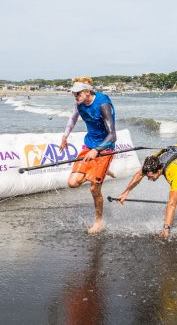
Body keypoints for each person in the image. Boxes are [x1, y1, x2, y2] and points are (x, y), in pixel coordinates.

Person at [59, 77, 117, 234]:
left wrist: (96, 150)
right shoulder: (79, 104)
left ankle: (99, 222)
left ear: (87, 92)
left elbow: (112, 135)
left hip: (105, 148)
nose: (75, 97)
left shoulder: (103, 104)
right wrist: (65, 136)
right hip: (89, 145)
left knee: (94, 189)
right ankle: (101, 171)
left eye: (78, 94)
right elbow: (73, 119)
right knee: (72, 182)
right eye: (74, 94)